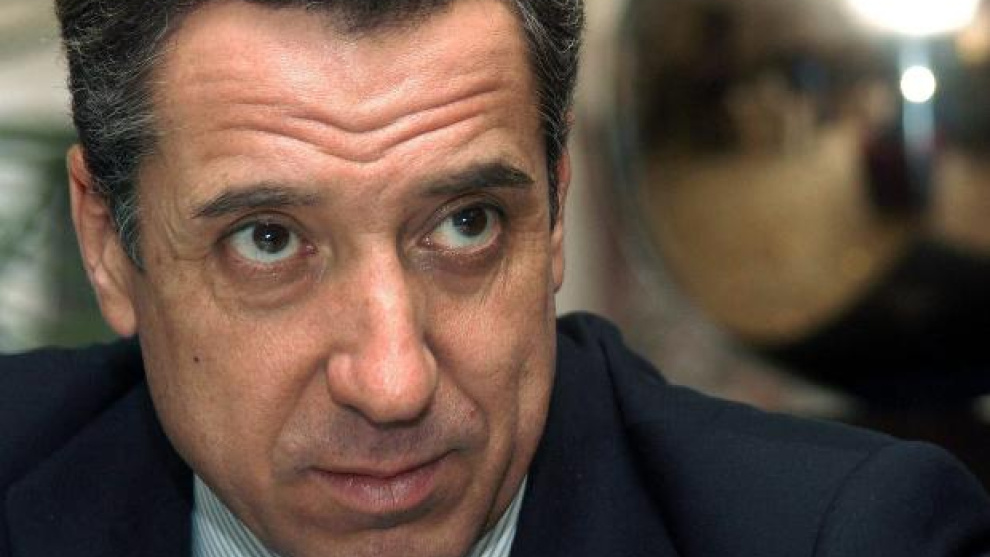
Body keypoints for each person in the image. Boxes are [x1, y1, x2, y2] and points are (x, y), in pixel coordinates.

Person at [2, 0, 989, 556]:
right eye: (268, 240)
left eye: (465, 224)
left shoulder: (847, 538)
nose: (394, 381)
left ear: (554, 215)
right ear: (108, 242)